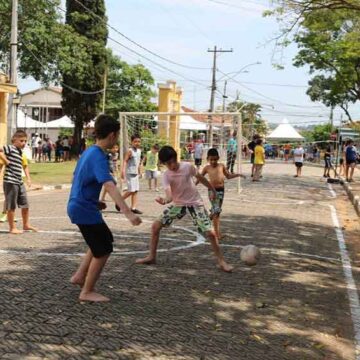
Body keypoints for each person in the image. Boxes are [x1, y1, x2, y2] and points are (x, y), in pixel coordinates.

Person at [68, 114, 142, 302]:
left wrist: (94, 201)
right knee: (103, 249)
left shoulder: (88, 152)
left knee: (102, 240)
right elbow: (109, 185)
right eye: (117, 136)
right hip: (83, 208)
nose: (116, 139)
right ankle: (87, 291)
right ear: (111, 135)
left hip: (82, 205)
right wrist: (128, 213)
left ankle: (79, 276)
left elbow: (77, 178)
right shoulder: (98, 156)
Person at [135, 146, 233, 273]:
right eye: (168, 164)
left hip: (195, 203)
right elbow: (169, 195)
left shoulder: (187, 167)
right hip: (178, 204)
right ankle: (151, 256)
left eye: (173, 162)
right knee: (155, 226)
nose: (171, 165)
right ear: (164, 164)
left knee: (211, 233)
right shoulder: (167, 175)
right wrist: (164, 200)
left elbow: (201, 178)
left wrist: (212, 189)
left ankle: (221, 261)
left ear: (176, 158)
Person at [199, 148, 245, 240]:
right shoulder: (206, 168)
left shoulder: (221, 166)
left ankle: (203, 223)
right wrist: (193, 185)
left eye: (215, 159)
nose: (213, 161)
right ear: (208, 158)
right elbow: (200, 177)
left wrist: (238, 175)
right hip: (212, 191)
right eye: (211, 159)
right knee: (216, 213)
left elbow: (228, 176)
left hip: (221, 191)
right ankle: (217, 234)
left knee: (216, 211)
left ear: (218, 158)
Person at [0, 130, 37, 234]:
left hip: (19, 181)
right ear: (14, 140)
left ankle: (26, 225)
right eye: (21, 141)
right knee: (11, 205)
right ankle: (12, 228)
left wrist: (28, 179)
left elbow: (25, 166)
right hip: (10, 181)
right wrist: (6, 161)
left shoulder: (20, 152)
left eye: (25, 141)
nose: (24, 143)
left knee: (25, 204)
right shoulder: (10, 148)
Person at [122, 134, 143, 214]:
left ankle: (133, 208)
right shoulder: (130, 151)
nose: (137, 143)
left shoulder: (139, 151)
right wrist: (123, 171)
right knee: (131, 190)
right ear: (132, 142)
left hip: (135, 173)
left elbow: (138, 162)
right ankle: (119, 201)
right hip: (130, 173)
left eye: (139, 141)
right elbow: (125, 161)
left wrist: (140, 171)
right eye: (135, 141)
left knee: (135, 191)